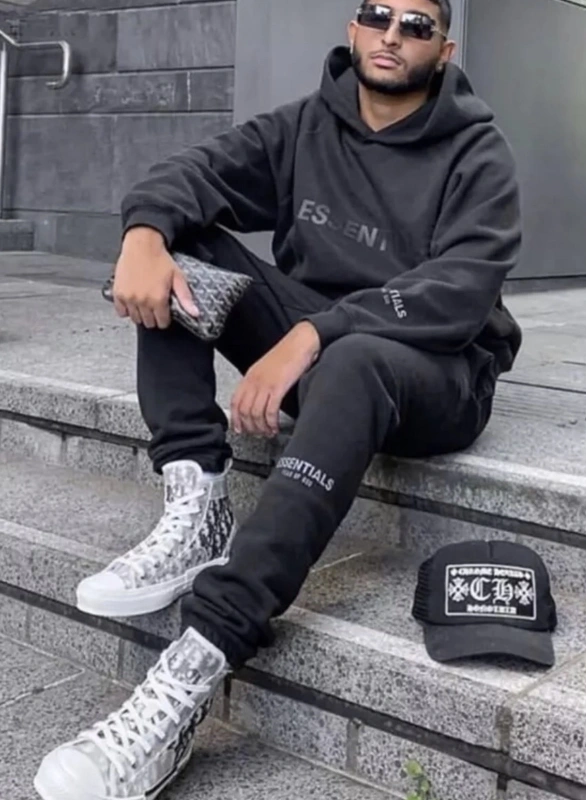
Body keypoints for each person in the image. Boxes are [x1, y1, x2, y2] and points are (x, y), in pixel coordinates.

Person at [34, 1, 522, 798]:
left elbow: (460, 294)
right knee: (182, 243)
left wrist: (313, 335)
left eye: (417, 24)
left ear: (444, 48)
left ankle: (193, 670)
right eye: (378, 14)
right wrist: (144, 236)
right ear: (353, 29)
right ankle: (198, 500)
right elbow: (187, 175)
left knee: (355, 356)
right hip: (325, 350)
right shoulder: (305, 126)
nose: (393, 34)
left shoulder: (477, 151)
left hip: (439, 373)